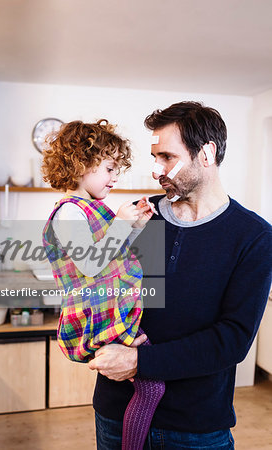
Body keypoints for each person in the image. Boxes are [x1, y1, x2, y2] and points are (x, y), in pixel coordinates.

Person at [89, 102, 272, 449]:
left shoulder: (253, 237)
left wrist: (138, 361)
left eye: (168, 158)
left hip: (195, 425)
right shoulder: (140, 217)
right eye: (155, 157)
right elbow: (98, 287)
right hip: (115, 410)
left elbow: (232, 339)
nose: (157, 169)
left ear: (206, 153)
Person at [41, 119, 165, 450]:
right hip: (98, 315)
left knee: (146, 387)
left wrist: (134, 225)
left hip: (108, 309)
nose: (115, 177)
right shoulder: (69, 211)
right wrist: (122, 224)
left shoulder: (90, 209)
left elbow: (111, 254)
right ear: (81, 164)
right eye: (109, 168)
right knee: (152, 388)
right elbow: (91, 263)